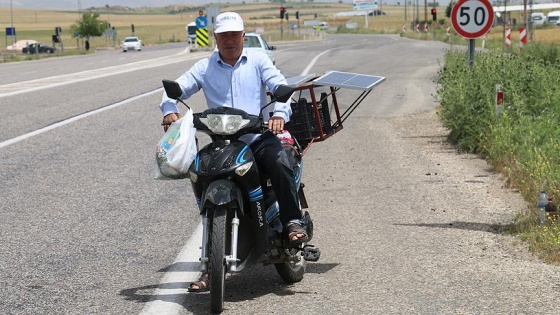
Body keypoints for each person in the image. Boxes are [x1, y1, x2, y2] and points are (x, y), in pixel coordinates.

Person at [158, 11, 309, 292]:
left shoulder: (258, 60)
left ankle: (291, 221)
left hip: (255, 138)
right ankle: (210, 266)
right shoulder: (204, 67)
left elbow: (278, 86)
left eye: (234, 35)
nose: (229, 40)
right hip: (223, 142)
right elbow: (174, 90)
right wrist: (169, 109)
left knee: (278, 160)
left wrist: (278, 112)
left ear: (243, 36)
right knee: (199, 172)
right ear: (215, 38)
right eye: (223, 35)